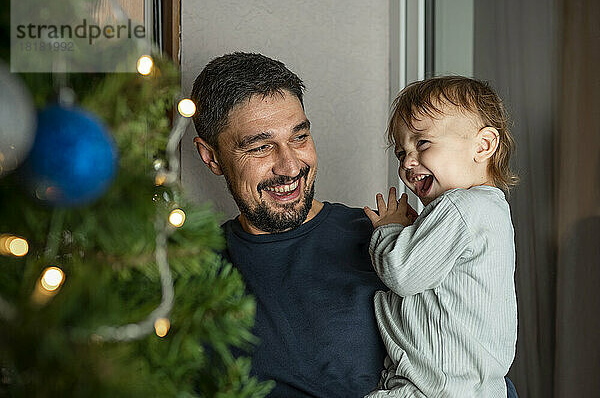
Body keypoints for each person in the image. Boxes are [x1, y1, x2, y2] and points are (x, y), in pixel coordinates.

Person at [191, 53, 518, 397]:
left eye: (300, 138)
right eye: (260, 147)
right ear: (211, 156)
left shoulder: (392, 236)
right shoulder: (194, 270)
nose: (289, 166)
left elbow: (475, 365)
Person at [363, 76, 519, 397]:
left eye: (422, 143)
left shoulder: (460, 205)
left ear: (483, 145)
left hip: (435, 388)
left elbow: (401, 271)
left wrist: (389, 229)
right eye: (400, 153)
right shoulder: (490, 210)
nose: (407, 162)